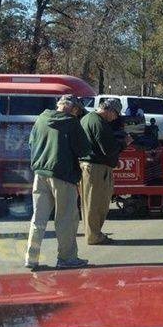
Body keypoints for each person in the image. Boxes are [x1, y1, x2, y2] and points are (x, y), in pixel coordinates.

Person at [24, 94, 90, 270]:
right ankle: (66, 258)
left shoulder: (41, 119)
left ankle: (31, 258)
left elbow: (31, 143)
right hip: (63, 175)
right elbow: (84, 149)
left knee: (38, 218)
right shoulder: (71, 123)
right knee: (66, 219)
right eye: (77, 111)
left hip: (40, 174)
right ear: (73, 108)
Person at [79, 98, 132, 245]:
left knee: (92, 202)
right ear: (109, 110)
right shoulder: (98, 122)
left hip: (92, 166)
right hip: (96, 167)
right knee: (96, 203)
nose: (115, 117)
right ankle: (94, 236)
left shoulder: (88, 119)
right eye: (115, 113)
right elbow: (108, 149)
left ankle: (93, 234)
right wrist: (124, 143)